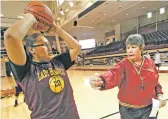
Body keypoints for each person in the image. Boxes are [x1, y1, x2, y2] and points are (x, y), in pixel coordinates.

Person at [4, 12, 81, 119]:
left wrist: (55, 28)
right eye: (44, 45)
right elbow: (11, 37)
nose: (50, 47)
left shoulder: (58, 62)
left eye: (49, 44)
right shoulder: (25, 70)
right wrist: (32, 15)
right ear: (31, 50)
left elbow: (76, 47)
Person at [90, 34, 166, 119]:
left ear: (141, 47)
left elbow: (155, 82)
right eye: (128, 48)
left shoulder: (150, 62)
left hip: (149, 108)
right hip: (128, 111)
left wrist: (159, 94)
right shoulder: (123, 65)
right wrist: (101, 81)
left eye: (133, 47)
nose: (130, 50)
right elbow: (113, 74)